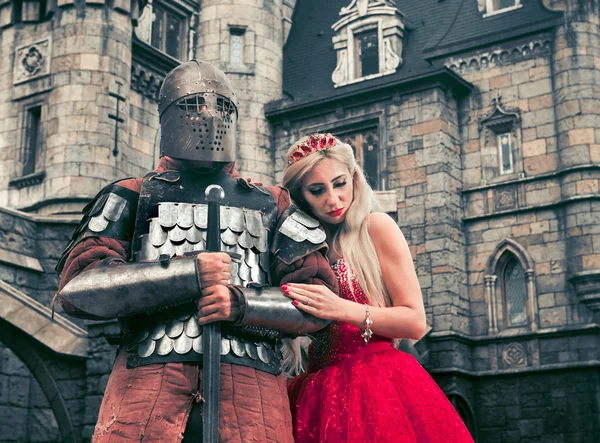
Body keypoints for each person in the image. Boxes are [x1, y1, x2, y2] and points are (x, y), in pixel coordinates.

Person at [55, 61, 338, 442]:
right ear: (170, 118)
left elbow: (318, 301)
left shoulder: (273, 203)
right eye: (192, 106)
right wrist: (188, 274)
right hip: (146, 387)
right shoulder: (131, 195)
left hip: (252, 393)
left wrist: (241, 305)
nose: (208, 117)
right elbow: (78, 289)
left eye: (221, 107)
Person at [281, 133, 474, 442]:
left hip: (378, 385)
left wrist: (343, 309)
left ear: (355, 179)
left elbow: (414, 322)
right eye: (317, 190)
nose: (333, 199)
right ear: (301, 196)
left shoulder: (377, 227)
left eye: (340, 183)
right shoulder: (299, 247)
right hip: (314, 392)